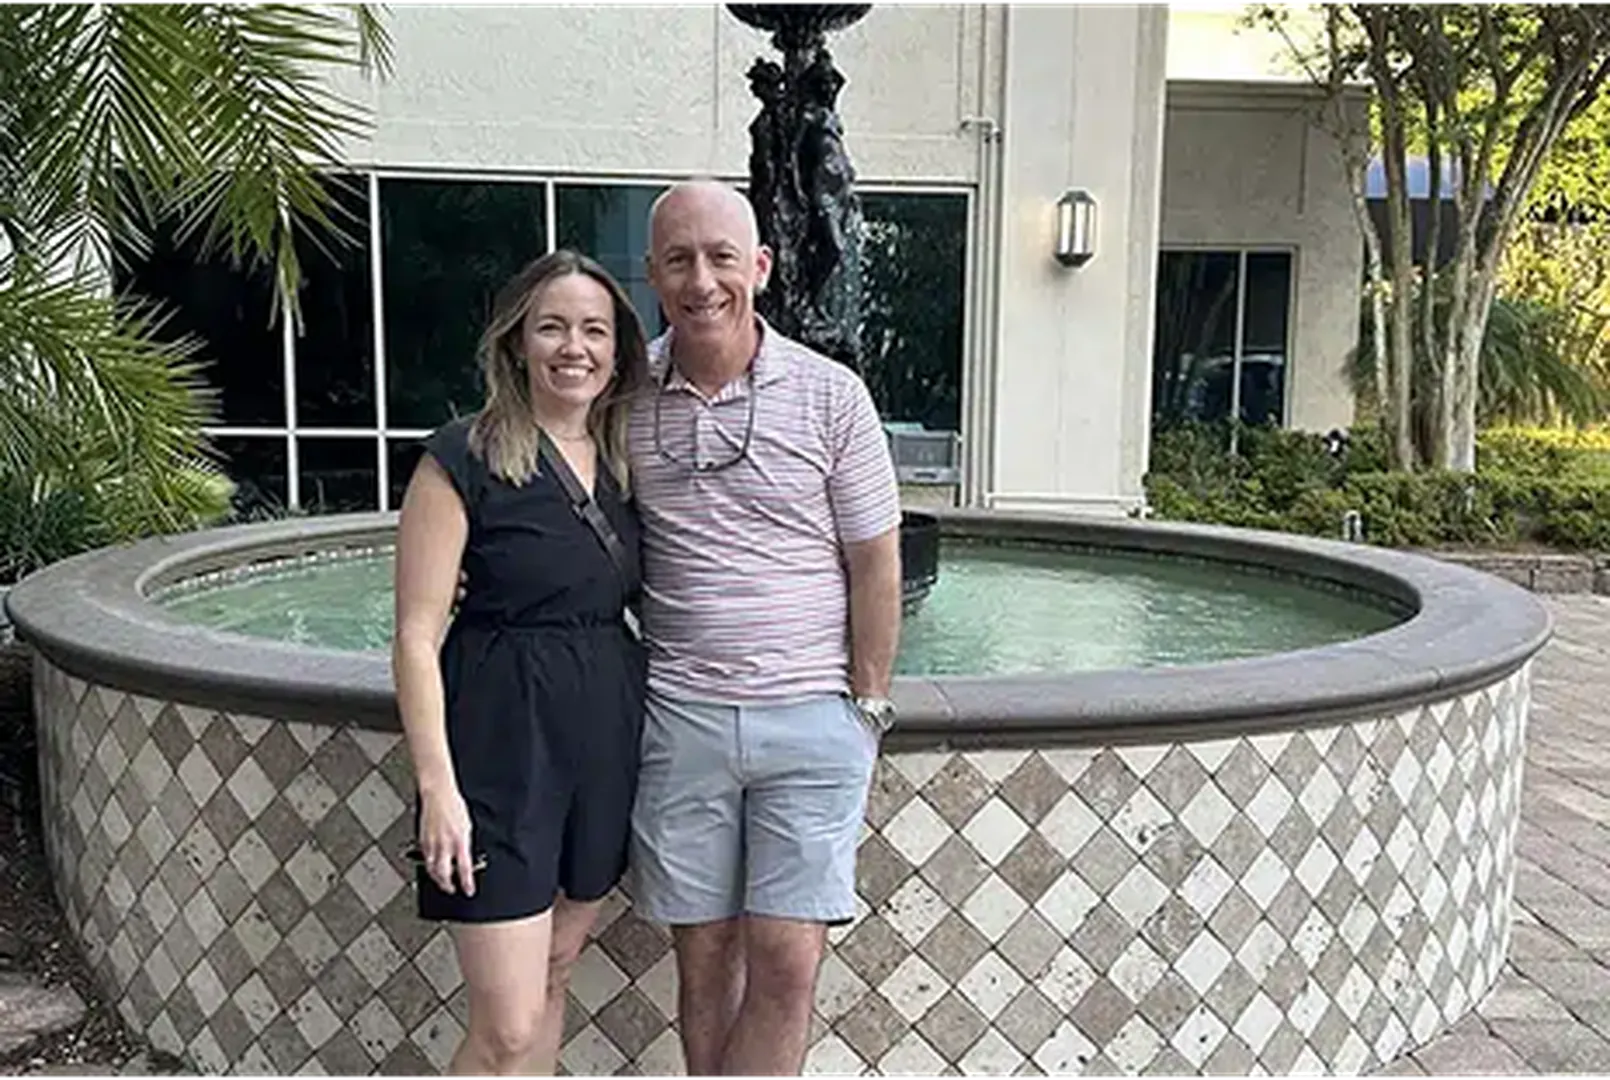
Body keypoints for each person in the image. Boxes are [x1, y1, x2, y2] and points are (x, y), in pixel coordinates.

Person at [628, 179, 903, 1078]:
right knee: (704, 961)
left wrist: (865, 708)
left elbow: (876, 562)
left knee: (787, 960)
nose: (702, 281)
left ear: (762, 266)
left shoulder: (832, 396)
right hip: (683, 717)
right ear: (653, 275)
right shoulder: (624, 396)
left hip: (810, 720)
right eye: (679, 260)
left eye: (721, 258)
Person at [391, 249, 649, 1079]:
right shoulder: (461, 458)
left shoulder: (626, 462)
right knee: (505, 1026)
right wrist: (439, 790)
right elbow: (415, 636)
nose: (574, 348)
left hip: (603, 746)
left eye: (594, 330)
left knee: (554, 972)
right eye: (552, 328)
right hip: (500, 753)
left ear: (617, 350)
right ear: (516, 342)